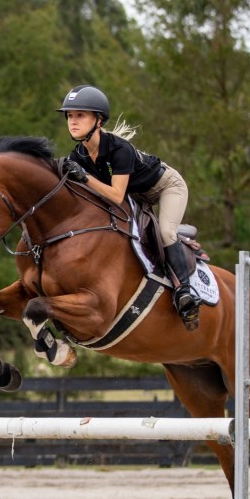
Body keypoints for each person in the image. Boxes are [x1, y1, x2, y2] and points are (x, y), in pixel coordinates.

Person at [57, 84, 200, 330]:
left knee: (166, 232)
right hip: (135, 195)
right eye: (70, 115)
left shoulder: (118, 149)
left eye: (80, 115)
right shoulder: (78, 155)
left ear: (98, 120)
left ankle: (184, 293)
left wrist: (84, 177)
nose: (73, 121)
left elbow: (115, 195)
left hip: (166, 187)